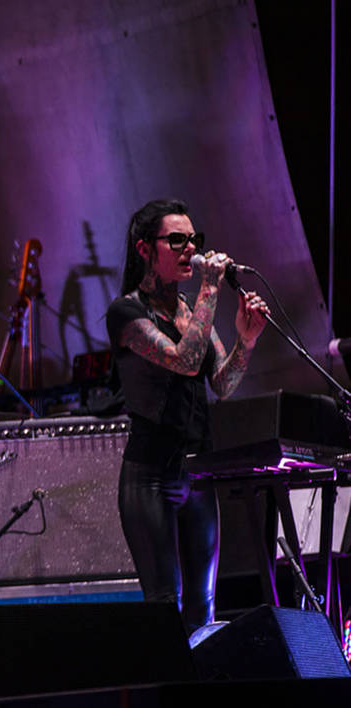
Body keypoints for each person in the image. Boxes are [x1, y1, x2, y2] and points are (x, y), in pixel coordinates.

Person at [105, 199, 269, 633]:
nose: (189, 249)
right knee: (165, 604)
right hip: (151, 477)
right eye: (176, 240)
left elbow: (220, 382)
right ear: (145, 249)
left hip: (197, 474)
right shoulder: (127, 313)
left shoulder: (188, 310)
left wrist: (245, 342)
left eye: (194, 240)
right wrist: (210, 290)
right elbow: (182, 358)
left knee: (204, 605)